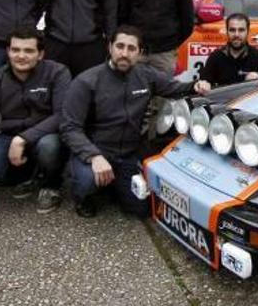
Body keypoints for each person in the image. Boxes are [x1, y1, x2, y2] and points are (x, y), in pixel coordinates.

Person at [61, 25, 210, 218]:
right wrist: (94, 156)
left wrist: (196, 85)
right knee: (87, 181)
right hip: (97, 150)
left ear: (139, 53)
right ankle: (84, 197)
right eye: (120, 46)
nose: (124, 53)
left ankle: (114, 184)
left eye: (131, 49)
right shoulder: (86, 81)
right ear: (110, 47)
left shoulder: (146, 75)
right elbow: (69, 127)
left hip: (129, 153)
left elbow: (176, 88)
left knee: (141, 210)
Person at [0, 28, 71, 215]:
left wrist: (22, 138)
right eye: (15, 50)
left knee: (50, 146)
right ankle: (27, 174)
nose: (21, 56)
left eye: (29, 51)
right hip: (8, 136)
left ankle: (51, 184)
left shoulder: (58, 72)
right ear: (8, 52)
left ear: (40, 54)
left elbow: (63, 115)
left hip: (46, 134)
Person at [198, 12, 258, 86]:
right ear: (226, 32)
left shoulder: (257, 56)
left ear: (248, 31)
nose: (236, 34)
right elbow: (204, 82)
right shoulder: (216, 57)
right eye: (232, 30)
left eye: (241, 30)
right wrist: (203, 84)